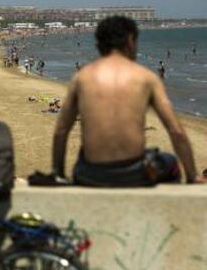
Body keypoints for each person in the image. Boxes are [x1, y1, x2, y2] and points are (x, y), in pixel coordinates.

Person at [52, 16, 207, 187]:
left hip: (90, 174)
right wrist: (192, 175)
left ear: (99, 44)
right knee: (170, 162)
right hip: (134, 174)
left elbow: (61, 130)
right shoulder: (146, 78)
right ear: (130, 41)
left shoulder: (81, 78)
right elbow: (176, 130)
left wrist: (58, 173)